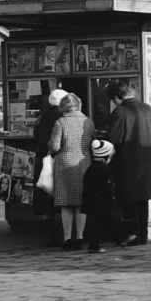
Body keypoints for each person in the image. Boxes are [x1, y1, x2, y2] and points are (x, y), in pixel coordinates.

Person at [104, 80, 151, 247]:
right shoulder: (147, 108)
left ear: (116, 97)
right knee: (143, 201)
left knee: (129, 202)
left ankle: (134, 235)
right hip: (145, 162)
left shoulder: (120, 112)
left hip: (126, 163)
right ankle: (144, 235)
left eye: (113, 100)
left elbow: (114, 139)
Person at [47, 92, 96, 251]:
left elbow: (54, 146)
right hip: (84, 163)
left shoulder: (60, 122)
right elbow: (92, 144)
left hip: (64, 163)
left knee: (66, 203)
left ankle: (67, 238)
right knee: (81, 203)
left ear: (63, 106)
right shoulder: (88, 122)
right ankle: (80, 237)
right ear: (79, 105)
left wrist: (52, 152)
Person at [31, 87, 66, 247]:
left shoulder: (41, 117)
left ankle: (49, 236)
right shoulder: (65, 117)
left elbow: (36, 137)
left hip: (43, 161)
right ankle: (65, 234)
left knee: (46, 201)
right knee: (64, 199)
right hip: (60, 161)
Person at [81, 139, 121, 253]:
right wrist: (112, 196)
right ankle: (123, 237)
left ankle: (95, 245)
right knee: (105, 222)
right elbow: (106, 185)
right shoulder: (101, 169)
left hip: (95, 200)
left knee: (101, 222)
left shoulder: (92, 168)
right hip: (101, 201)